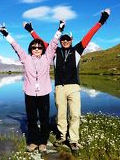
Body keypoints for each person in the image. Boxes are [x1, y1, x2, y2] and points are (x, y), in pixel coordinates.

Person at [23, 8, 110, 151]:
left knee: (75, 114)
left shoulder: (78, 50)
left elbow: (90, 35)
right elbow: (39, 43)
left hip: (73, 87)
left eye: (67, 39)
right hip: (59, 88)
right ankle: (62, 137)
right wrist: (30, 30)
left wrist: (102, 20)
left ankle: (74, 140)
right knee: (61, 114)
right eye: (63, 39)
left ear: (71, 40)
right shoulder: (54, 52)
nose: (64, 41)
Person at [0, 21, 65, 153]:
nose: (36, 49)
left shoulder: (47, 58)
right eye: (34, 47)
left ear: (42, 50)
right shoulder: (25, 58)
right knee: (32, 119)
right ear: (30, 49)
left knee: (44, 119)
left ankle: (43, 142)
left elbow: (53, 44)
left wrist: (60, 29)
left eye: (39, 47)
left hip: (44, 93)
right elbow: (15, 46)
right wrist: (6, 34)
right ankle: (33, 141)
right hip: (29, 93)